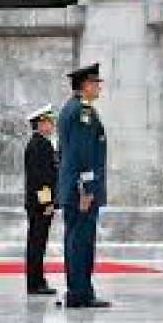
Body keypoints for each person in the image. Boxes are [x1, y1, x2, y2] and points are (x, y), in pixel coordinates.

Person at [57, 63, 110, 308]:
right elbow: (83, 153)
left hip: (72, 188)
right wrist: (87, 189)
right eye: (96, 83)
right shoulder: (82, 112)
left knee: (76, 240)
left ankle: (80, 290)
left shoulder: (70, 108)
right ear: (85, 85)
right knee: (81, 241)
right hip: (81, 191)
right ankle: (80, 293)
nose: (99, 87)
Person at [24, 104, 58, 296]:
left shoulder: (38, 143)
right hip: (40, 204)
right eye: (49, 122)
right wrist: (47, 203)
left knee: (36, 242)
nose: (52, 125)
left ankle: (36, 281)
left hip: (37, 202)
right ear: (40, 123)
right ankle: (36, 283)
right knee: (37, 243)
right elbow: (41, 179)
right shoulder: (40, 145)